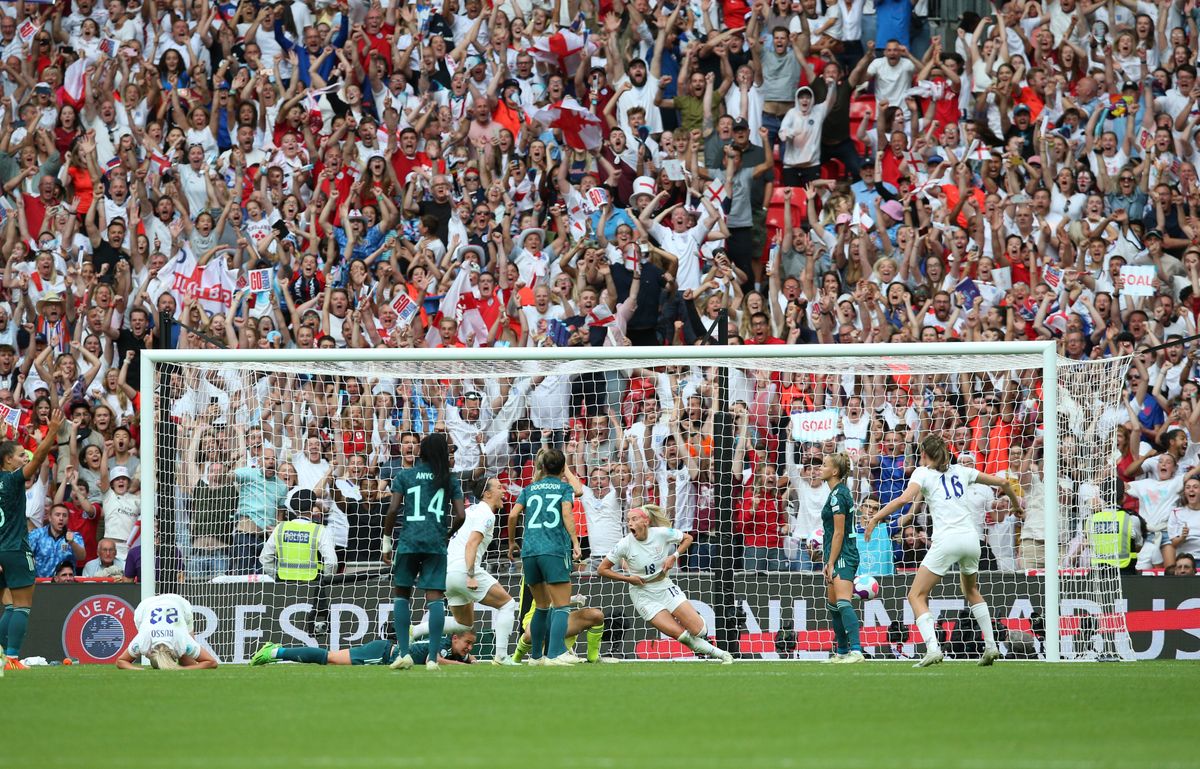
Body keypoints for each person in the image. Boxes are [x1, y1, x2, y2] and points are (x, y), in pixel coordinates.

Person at [866, 434, 1022, 668]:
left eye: (921, 454)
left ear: (926, 455)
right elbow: (1004, 484)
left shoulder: (923, 473)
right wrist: (1017, 507)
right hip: (972, 540)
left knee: (915, 595)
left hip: (947, 540)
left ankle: (932, 648)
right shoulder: (963, 471)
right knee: (971, 590)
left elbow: (903, 499)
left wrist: (875, 518)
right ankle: (991, 645)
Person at [597, 505, 733, 664]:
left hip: (664, 585)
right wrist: (629, 579)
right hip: (643, 594)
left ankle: (694, 619)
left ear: (646, 522)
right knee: (681, 636)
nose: (630, 524)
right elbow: (602, 569)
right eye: (628, 520)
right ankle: (723, 655)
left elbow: (688, 538)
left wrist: (673, 556)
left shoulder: (661, 533)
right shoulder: (624, 544)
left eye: (634, 519)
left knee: (699, 630)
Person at [411, 477, 520, 665]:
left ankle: (416, 631)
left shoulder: (470, 511)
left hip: (447, 573)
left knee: (464, 624)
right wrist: (470, 575)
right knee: (507, 605)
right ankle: (501, 656)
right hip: (463, 570)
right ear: (487, 494)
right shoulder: (486, 514)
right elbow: (471, 543)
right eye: (499, 488)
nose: (504, 491)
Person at [382, 432, 465, 671]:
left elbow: (393, 509)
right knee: (435, 599)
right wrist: (447, 534)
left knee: (401, 595)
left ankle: (404, 653)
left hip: (409, 541)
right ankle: (431, 658)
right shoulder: (450, 479)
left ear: (422, 451)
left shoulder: (405, 475)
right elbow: (461, 515)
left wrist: (386, 541)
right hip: (435, 544)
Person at [506, 447, 583, 666]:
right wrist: (576, 542)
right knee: (561, 606)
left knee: (541, 606)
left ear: (541, 466)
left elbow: (512, 515)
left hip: (530, 552)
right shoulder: (563, 487)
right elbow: (570, 508)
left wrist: (512, 542)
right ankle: (556, 653)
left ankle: (536, 657)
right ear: (562, 467)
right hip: (554, 550)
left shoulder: (529, 489)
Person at [0, 409, 64, 672]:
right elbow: (38, 457)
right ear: (7, 460)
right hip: (15, 548)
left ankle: (2, 654)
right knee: (22, 605)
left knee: (9, 606)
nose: (23, 456)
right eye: (18, 455)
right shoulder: (13, 481)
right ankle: (13, 658)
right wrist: (52, 432)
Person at [819, 453, 864, 664]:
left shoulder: (838, 495)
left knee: (844, 602)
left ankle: (856, 651)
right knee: (833, 605)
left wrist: (830, 561)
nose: (820, 468)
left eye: (824, 465)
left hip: (844, 554)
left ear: (834, 472)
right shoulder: (837, 493)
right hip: (834, 554)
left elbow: (839, 532)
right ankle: (842, 651)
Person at [252, 630, 477, 667]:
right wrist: (462, 664)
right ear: (455, 638)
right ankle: (273, 652)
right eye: (467, 643)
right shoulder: (443, 645)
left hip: (383, 649)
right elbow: (434, 658)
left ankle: (276, 651)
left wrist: (468, 659)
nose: (468, 648)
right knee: (327, 658)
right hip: (381, 654)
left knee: (328, 657)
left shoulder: (450, 646)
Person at [114, 593, 218, 670]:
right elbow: (120, 661)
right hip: (145, 607)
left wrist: (183, 669)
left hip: (179, 603)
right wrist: (139, 670)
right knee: (189, 661)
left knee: (187, 661)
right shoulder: (143, 640)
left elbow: (211, 662)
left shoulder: (183, 641)